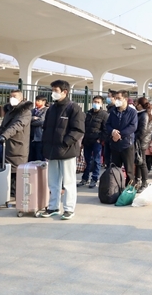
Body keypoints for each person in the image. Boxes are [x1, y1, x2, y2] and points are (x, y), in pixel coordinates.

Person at [40, 80, 85, 220]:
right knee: (53, 182)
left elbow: (78, 130)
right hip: (52, 151)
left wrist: (65, 143)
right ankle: (53, 207)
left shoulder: (74, 108)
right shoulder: (51, 109)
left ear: (65, 92)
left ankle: (69, 209)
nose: (53, 93)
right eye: (52, 90)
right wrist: (45, 145)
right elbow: (46, 128)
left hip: (67, 151)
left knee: (69, 182)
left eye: (56, 90)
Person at [0, 90, 33, 197]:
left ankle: (16, 194)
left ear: (21, 98)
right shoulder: (9, 111)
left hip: (18, 145)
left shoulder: (25, 112)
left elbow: (17, 125)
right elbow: (3, 126)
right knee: (8, 170)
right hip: (7, 145)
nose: (12, 98)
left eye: (15, 96)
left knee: (17, 170)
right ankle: (9, 193)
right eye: (10, 96)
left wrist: (4, 136)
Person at [105, 90, 138, 186]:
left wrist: (119, 135)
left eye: (119, 98)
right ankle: (116, 186)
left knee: (129, 170)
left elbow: (133, 127)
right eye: (115, 98)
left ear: (125, 99)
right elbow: (108, 124)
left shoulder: (132, 112)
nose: (116, 100)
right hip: (115, 144)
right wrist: (113, 132)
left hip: (127, 144)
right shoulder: (113, 111)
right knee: (115, 168)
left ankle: (130, 188)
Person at [78, 96, 108, 189]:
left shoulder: (104, 115)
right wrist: (82, 141)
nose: (96, 103)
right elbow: (84, 128)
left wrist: (100, 139)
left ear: (101, 103)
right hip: (87, 140)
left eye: (98, 102)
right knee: (87, 160)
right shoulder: (88, 113)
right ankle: (85, 178)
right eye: (95, 101)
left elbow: (106, 129)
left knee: (96, 160)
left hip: (96, 141)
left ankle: (94, 179)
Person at [133, 97, 152, 192]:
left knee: (142, 162)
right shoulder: (141, 114)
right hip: (140, 141)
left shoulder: (144, 115)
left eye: (136, 104)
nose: (135, 105)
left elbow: (142, 131)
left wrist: (134, 137)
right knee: (138, 161)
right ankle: (138, 180)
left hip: (141, 141)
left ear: (140, 105)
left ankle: (144, 182)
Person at [29, 95, 47, 162]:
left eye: (38, 101)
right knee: (31, 158)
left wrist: (31, 122)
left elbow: (41, 121)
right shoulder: (33, 110)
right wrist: (34, 118)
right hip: (31, 137)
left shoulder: (46, 110)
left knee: (39, 157)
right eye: (36, 100)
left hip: (40, 137)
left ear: (44, 102)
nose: (36, 102)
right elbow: (27, 119)